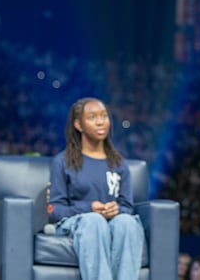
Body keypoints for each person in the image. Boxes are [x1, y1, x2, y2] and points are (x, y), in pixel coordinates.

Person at [47, 97, 145, 280]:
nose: (100, 122)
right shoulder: (63, 161)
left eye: (104, 116)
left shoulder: (119, 164)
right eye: (92, 117)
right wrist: (88, 208)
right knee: (94, 221)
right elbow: (54, 211)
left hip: (111, 222)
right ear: (78, 125)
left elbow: (127, 207)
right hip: (78, 223)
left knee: (128, 222)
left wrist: (117, 210)